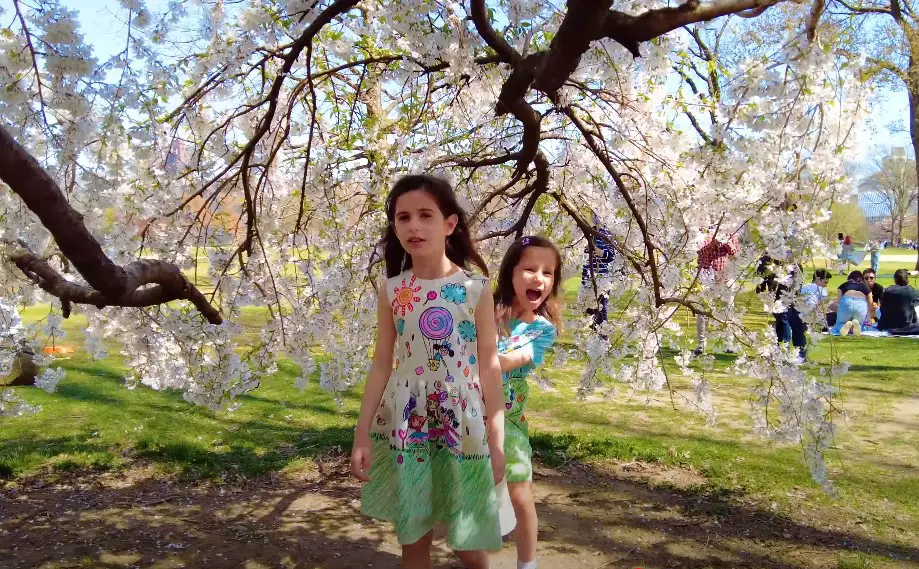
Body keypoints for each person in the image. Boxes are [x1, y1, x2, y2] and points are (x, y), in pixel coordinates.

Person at [350, 174, 507, 569]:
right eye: (403, 218)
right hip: (409, 424)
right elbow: (382, 362)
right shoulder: (393, 290)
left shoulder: (475, 288)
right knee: (413, 533)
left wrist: (498, 437)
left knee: (470, 540)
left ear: (449, 224)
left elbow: (488, 365)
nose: (414, 226)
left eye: (425, 215)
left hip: (463, 424)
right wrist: (362, 433)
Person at [493, 236, 562, 569]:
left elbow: (514, 360)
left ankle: (527, 564)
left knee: (520, 492)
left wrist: (493, 358)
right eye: (530, 269)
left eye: (548, 273)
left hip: (510, 425)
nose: (540, 278)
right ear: (511, 274)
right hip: (469, 420)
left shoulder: (543, 330)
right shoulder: (486, 313)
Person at [694, 228, 739, 355]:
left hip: (725, 275)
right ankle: (701, 344)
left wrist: (727, 242)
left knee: (728, 309)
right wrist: (713, 243)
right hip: (706, 274)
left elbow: (734, 252)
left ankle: (728, 343)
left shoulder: (731, 231)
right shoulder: (703, 230)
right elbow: (698, 248)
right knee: (702, 310)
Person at [580, 227, 615, 327]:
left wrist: (595, 248)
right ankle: (595, 334)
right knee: (589, 310)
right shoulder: (587, 234)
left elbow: (610, 257)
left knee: (601, 309)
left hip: (602, 280)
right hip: (588, 278)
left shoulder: (607, 235)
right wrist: (583, 280)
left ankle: (603, 338)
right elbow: (586, 261)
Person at [830, 270, 875, 336]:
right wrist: (869, 318)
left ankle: (843, 326)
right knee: (861, 324)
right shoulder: (866, 287)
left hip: (846, 302)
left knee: (839, 324)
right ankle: (857, 325)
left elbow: (838, 303)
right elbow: (870, 304)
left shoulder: (843, 286)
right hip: (861, 305)